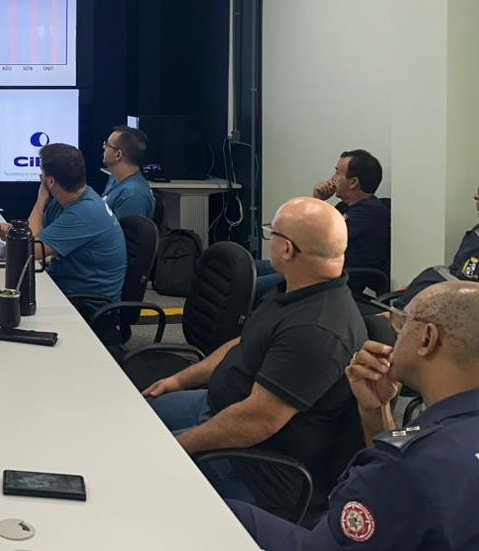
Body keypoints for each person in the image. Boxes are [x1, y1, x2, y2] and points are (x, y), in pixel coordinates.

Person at [230, 281, 479, 551]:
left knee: (229, 515)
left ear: (427, 339)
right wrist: (376, 410)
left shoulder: (406, 469)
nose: (396, 332)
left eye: (403, 322)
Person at [144, 198, 366, 517]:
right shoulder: (293, 290)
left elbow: (257, 421)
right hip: (219, 408)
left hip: (256, 468)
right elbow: (244, 343)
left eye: (271, 233)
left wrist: (179, 449)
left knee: (139, 466)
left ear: (286, 249)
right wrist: (180, 379)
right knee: (137, 419)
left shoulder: (316, 330)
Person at [254, 149, 391, 301]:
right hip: (307, 267)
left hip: (326, 278)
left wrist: (317, 201)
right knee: (245, 268)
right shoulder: (344, 207)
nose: (332, 179)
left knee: (247, 286)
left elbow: (310, 238)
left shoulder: (370, 212)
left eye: (337, 173)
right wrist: (318, 201)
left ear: (353, 182)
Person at [0, 142, 126, 300]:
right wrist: (16, 237)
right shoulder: (70, 200)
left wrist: (40, 200)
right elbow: (33, 238)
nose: (40, 178)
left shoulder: (83, 212)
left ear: (50, 181)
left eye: (42, 173)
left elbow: (28, 251)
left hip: (86, 302)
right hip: (66, 287)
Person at [397, 169, 479, 312]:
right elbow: (457, 272)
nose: (476, 196)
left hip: (446, 319)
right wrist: (422, 289)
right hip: (418, 307)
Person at [101, 124, 156, 220]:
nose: (103, 147)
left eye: (107, 144)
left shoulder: (132, 195)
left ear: (118, 154)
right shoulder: (115, 177)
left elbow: (126, 230)